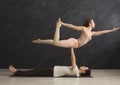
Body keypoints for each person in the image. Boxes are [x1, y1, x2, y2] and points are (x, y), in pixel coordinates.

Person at [32, 18, 120, 48]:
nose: (94, 23)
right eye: (93, 22)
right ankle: (58, 26)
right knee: (55, 43)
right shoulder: (84, 28)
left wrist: (112, 30)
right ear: (89, 23)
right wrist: (63, 23)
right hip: (74, 42)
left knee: (53, 42)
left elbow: (103, 32)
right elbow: (72, 26)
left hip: (74, 42)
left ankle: (41, 41)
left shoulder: (92, 33)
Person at [9, 47, 91, 77]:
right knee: (35, 71)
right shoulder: (76, 73)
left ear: (84, 71)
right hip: (53, 70)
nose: (84, 66)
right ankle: (17, 72)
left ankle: (16, 72)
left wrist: (71, 48)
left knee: (35, 72)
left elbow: (73, 59)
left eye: (85, 67)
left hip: (53, 72)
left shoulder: (76, 71)